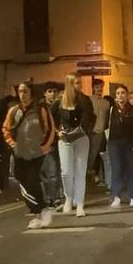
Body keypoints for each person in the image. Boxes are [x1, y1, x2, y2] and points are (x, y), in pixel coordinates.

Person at [2, 82, 56, 228]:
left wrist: (44, 147)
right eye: (20, 91)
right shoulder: (13, 111)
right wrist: (13, 145)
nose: (22, 94)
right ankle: (38, 210)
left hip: (37, 152)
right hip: (20, 152)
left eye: (25, 91)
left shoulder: (41, 109)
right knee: (22, 180)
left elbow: (50, 129)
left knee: (32, 179)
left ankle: (42, 210)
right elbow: (6, 129)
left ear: (31, 92)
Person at [54, 74, 96, 218]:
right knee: (66, 171)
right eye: (76, 83)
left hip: (81, 138)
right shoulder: (59, 100)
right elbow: (50, 118)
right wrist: (57, 131)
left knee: (80, 171)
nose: (79, 86)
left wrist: (86, 130)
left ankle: (80, 204)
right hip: (65, 138)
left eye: (80, 83)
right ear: (69, 84)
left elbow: (91, 117)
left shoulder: (84, 99)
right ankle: (68, 198)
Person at [105, 85, 133, 207]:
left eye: (123, 93)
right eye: (118, 93)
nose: (120, 96)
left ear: (127, 95)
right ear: (115, 96)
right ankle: (116, 196)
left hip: (130, 144)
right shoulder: (111, 111)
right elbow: (106, 127)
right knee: (116, 170)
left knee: (132, 170)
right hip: (114, 144)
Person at [39, 83, 64, 206]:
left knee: (58, 170)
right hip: (47, 143)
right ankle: (51, 198)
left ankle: (55, 196)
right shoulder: (41, 108)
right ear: (44, 93)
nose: (52, 94)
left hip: (60, 141)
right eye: (49, 91)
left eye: (54, 91)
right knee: (49, 171)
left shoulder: (60, 105)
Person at [87, 79, 110, 186]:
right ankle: (90, 176)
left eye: (101, 86)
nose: (99, 89)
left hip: (103, 132)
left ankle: (99, 177)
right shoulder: (88, 101)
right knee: (91, 155)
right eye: (97, 87)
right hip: (92, 133)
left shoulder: (106, 103)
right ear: (93, 88)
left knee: (101, 155)